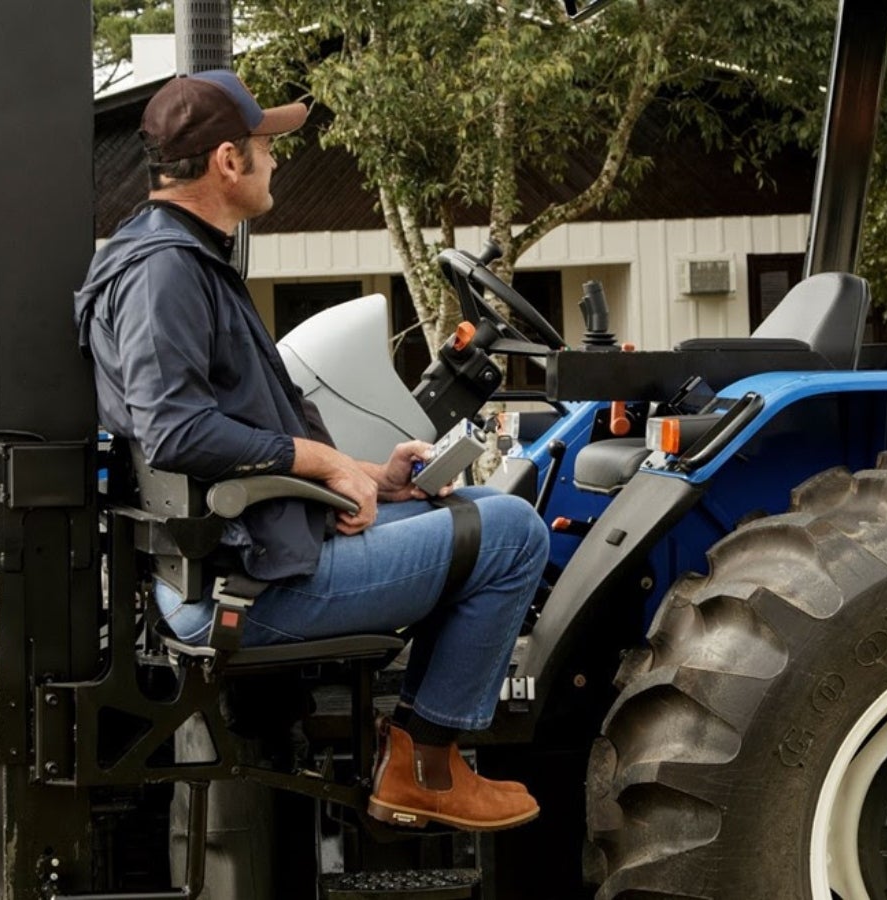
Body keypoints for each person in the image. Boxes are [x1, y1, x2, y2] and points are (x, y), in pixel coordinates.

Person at [74, 70, 549, 832]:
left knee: (483, 505)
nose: (276, 162)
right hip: (246, 589)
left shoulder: (175, 257)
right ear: (228, 161)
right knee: (518, 536)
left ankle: (421, 749)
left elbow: (238, 426)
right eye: (266, 146)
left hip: (248, 555)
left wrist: (372, 476)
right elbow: (175, 431)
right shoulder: (167, 273)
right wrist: (325, 465)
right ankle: (424, 766)